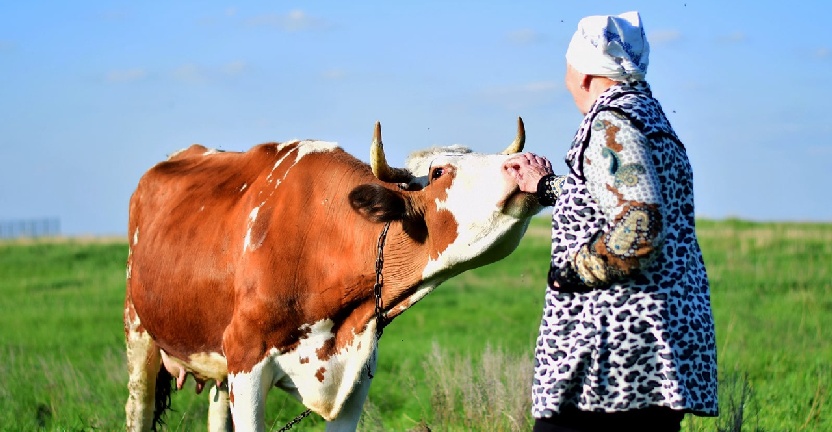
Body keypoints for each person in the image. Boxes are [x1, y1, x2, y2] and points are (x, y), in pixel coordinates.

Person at [503, 11, 718, 432]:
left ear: (583, 74)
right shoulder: (650, 119)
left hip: (612, 357)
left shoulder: (610, 124)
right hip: (662, 342)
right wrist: (546, 187)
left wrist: (571, 273)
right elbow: (610, 192)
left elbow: (640, 223)